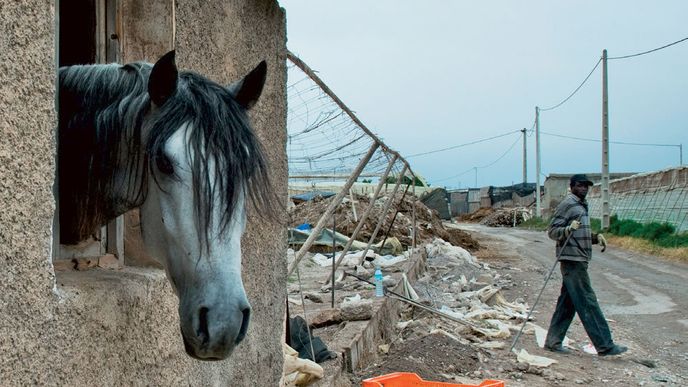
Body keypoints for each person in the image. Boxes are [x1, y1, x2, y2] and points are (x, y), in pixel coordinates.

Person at [544, 174, 627, 356]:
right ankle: (605, 345)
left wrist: (595, 238)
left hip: (580, 258)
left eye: (586, 186)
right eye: (580, 185)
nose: (583, 189)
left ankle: (553, 342)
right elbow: (552, 231)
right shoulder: (568, 204)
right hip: (572, 260)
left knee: (568, 303)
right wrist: (567, 229)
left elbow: (578, 234)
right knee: (588, 301)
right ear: (572, 186)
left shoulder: (581, 205)